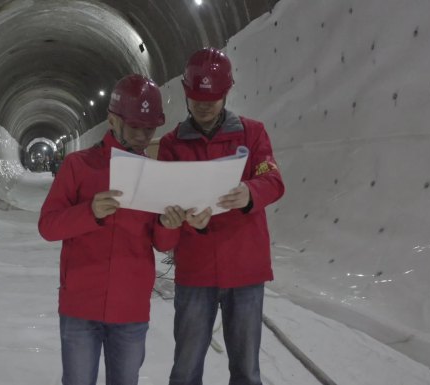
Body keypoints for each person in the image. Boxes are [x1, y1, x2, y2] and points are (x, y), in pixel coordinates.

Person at [38, 74, 187, 385]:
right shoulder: (78, 166)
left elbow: (161, 243)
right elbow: (48, 226)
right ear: (112, 120)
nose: (144, 136)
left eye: (150, 128)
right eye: (136, 127)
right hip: (81, 304)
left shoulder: (155, 175)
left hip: (130, 308)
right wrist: (89, 211)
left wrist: (168, 224)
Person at [158, 48, 285, 385]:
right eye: (198, 97)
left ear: (226, 92)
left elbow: (272, 179)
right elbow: (167, 200)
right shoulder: (172, 145)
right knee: (185, 370)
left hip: (244, 270)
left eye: (212, 98)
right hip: (195, 271)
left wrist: (249, 193)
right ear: (186, 93)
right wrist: (184, 219)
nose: (204, 105)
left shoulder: (251, 133)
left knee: (245, 370)